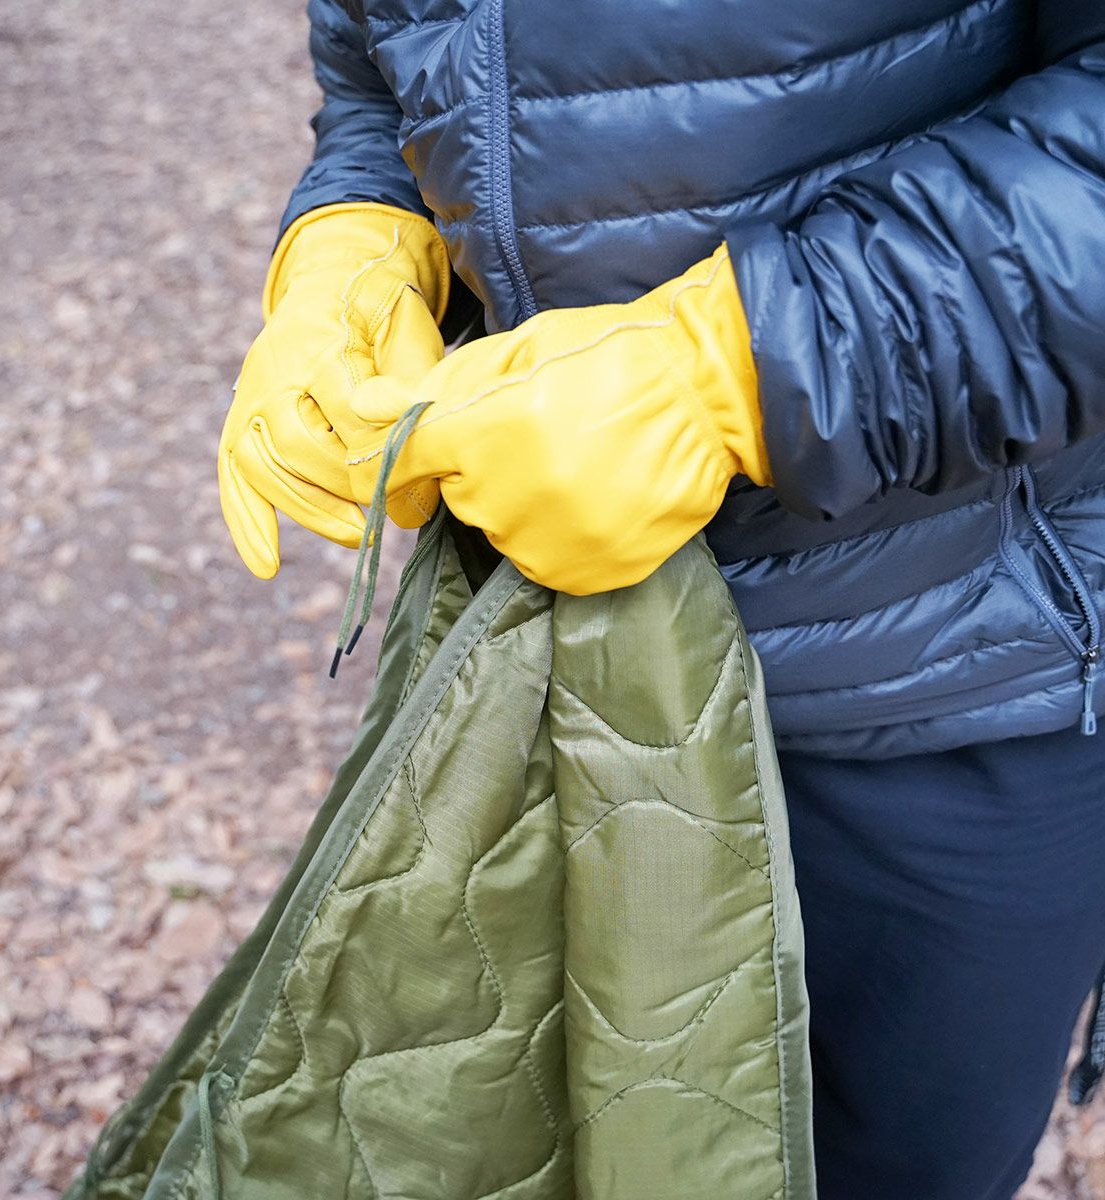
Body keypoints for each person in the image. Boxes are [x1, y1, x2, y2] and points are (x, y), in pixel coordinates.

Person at [216, 2, 1105, 1196]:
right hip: (541, 637)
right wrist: (361, 221)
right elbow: (381, 47)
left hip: (952, 669)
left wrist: (742, 366)